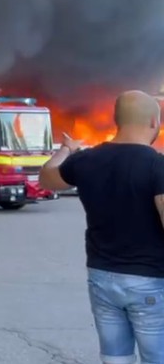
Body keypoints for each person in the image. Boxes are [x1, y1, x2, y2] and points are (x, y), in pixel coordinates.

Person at [40, 90, 164, 364]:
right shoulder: (158, 165)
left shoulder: (86, 160)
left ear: (116, 120)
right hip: (149, 281)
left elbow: (47, 178)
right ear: (155, 122)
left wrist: (66, 149)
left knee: (114, 358)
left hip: (101, 277)